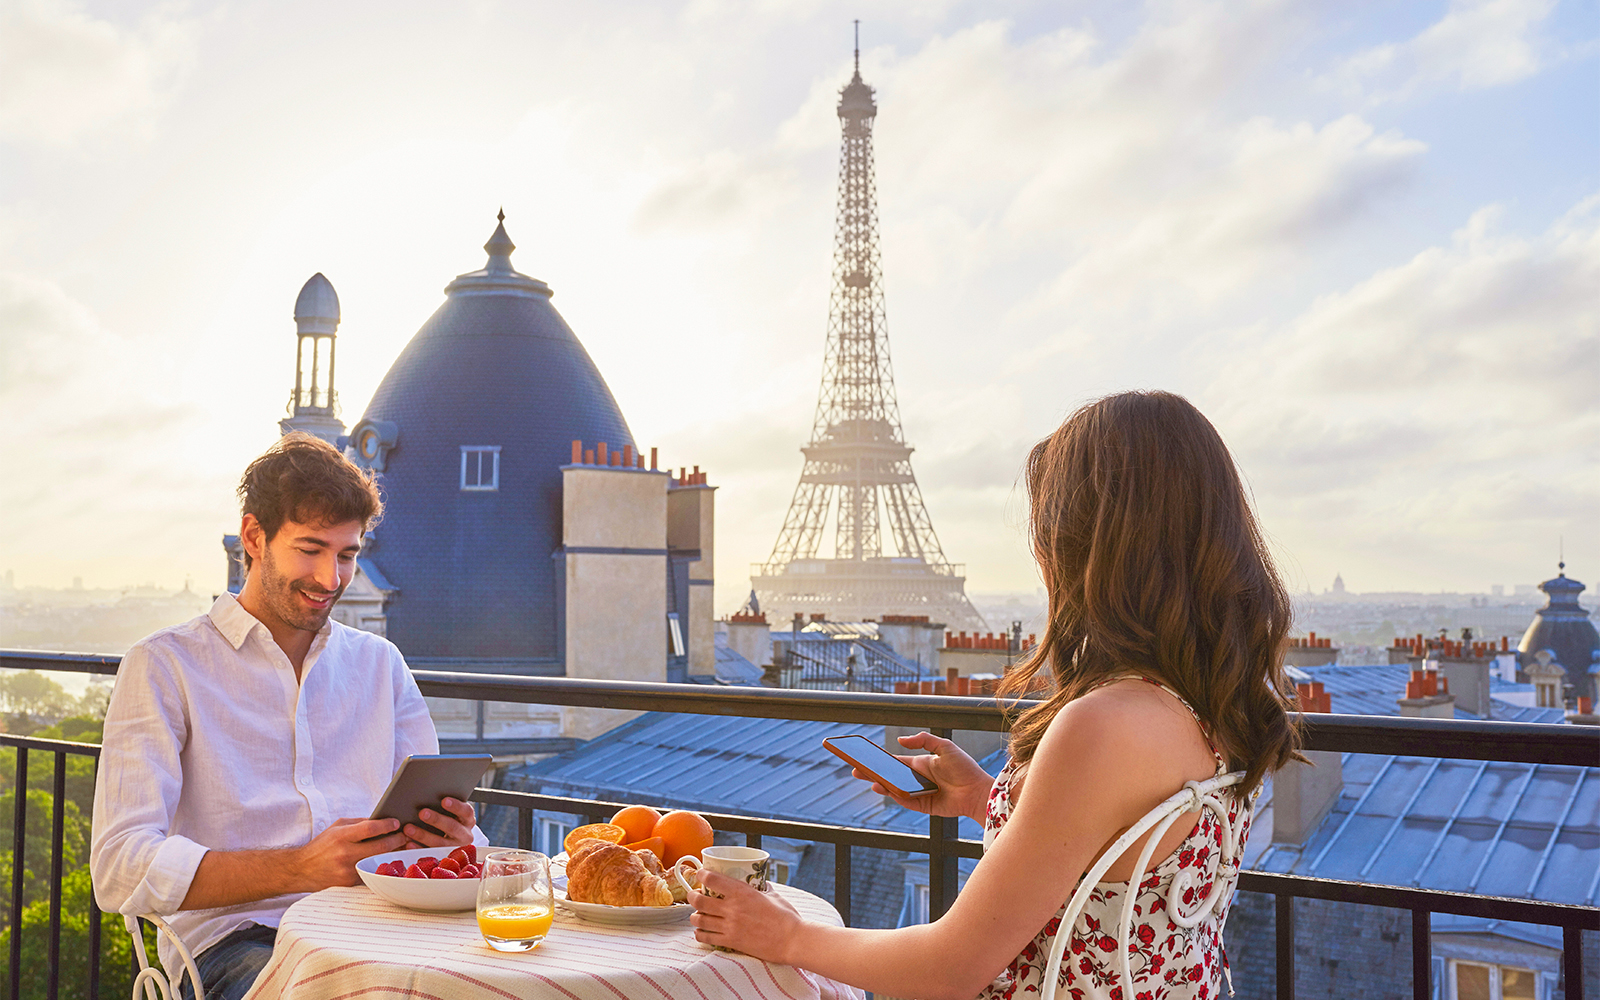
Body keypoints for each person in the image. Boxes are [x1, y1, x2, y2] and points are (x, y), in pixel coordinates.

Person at [688, 391, 1300, 1000]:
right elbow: (1117, 856)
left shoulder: (1102, 725)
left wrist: (786, 934)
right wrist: (986, 798)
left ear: (1088, 547)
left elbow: (948, 970)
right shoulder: (1217, 707)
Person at [90, 433, 482, 1000]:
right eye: (310, 549)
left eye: (346, 555)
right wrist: (300, 868)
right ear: (254, 537)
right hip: (238, 943)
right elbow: (119, 867)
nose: (330, 579)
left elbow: (443, 832)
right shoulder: (164, 666)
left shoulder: (380, 663)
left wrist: (453, 838)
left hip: (380, 925)